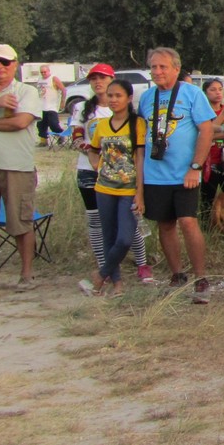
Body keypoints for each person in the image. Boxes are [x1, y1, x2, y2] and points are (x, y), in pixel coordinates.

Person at [136, 47, 217, 303]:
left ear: (176, 69)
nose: (157, 71)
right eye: (153, 67)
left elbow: (206, 130)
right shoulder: (146, 98)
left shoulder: (191, 93)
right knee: (165, 224)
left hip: (184, 174)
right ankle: (177, 274)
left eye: (163, 67)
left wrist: (195, 167)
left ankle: (201, 278)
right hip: (155, 174)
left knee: (188, 221)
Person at [71, 64, 155, 284]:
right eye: (93, 78)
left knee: (127, 229)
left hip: (127, 183)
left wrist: (139, 189)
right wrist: (96, 160)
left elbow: (139, 155)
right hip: (96, 178)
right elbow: (80, 138)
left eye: (103, 78)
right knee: (100, 225)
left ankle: (137, 264)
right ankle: (109, 272)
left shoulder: (133, 120)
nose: (98, 82)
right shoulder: (85, 109)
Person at [0, 45, 43, 290]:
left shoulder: (26, 91)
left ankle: (26, 275)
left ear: (15, 64)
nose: (0, 67)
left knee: (20, 220)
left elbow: (21, 121)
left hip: (16, 164)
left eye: (5, 62)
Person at [80, 79, 146, 297]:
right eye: (110, 95)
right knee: (108, 236)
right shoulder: (101, 125)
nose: (113, 100)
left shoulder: (137, 124)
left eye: (118, 95)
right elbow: (93, 149)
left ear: (129, 98)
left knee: (125, 238)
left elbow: (140, 158)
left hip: (128, 190)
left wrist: (140, 193)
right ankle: (117, 283)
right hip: (104, 189)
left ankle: (100, 275)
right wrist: (96, 165)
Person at [198, 78, 224, 222]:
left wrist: (215, 135)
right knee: (207, 200)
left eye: (220, 89)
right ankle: (207, 227)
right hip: (209, 163)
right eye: (213, 90)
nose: (218, 93)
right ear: (205, 93)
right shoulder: (203, 113)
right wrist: (221, 132)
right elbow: (206, 133)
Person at [36, 64, 67, 146]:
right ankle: (43, 141)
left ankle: (61, 135)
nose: (43, 74)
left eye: (45, 72)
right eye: (41, 72)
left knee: (53, 124)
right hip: (41, 106)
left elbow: (63, 90)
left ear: (49, 71)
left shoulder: (53, 78)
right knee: (41, 125)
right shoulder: (39, 79)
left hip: (52, 106)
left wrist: (63, 101)